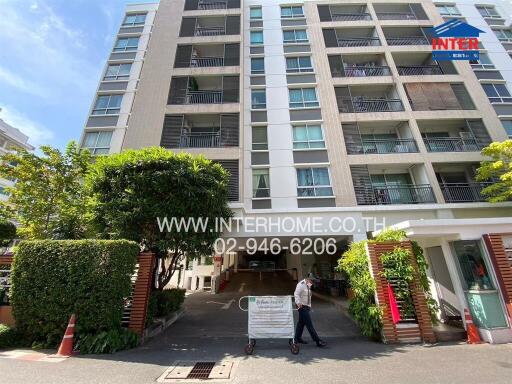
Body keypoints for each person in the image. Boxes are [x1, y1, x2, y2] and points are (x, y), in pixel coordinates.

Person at [293, 273, 327, 347]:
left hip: (307, 307)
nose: (313, 283)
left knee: (301, 323)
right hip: (302, 307)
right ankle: (318, 341)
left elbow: (308, 295)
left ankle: (297, 338)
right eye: (312, 281)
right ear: (309, 279)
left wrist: (309, 306)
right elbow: (296, 294)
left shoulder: (309, 284)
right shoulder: (301, 285)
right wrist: (298, 303)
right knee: (309, 325)